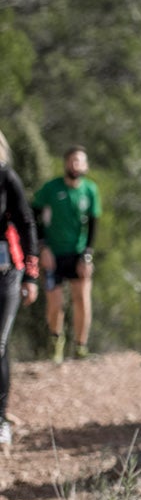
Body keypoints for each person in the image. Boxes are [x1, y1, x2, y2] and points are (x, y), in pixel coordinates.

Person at [34, 146, 98, 362]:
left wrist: (87, 255)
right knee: (55, 303)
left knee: (82, 298)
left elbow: (93, 225)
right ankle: (56, 343)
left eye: (79, 161)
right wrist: (42, 247)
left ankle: (81, 345)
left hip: (78, 254)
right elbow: (34, 216)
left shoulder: (90, 190)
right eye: (72, 160)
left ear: (86, 165)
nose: (75, 165)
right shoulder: (51, 189)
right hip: (53, 255)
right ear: (65, 163)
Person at [0, 135, 39, 446]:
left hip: (7, 274)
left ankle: (1, 420)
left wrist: (32, 276)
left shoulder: (6, 177)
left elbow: (27, 223)